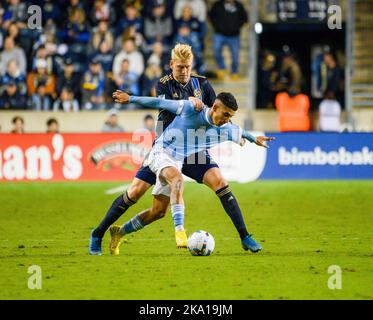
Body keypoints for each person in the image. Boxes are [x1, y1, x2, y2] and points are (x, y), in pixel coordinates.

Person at [88, 44, 268, 255]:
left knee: (220, 182)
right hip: (166, 145)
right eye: (180, 67)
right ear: (172, 64)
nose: (184, 71)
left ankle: (245, 236)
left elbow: (216, 112)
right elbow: (166, 106)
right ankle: (98, 233)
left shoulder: (202, 84)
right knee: (138, 195)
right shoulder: (163, 84)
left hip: (193, 148)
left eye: (188, 67)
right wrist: (188, 101)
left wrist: (247, 136)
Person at [107, 90, 274, 255]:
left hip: (177, 162)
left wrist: (254, 139)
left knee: (158, 212)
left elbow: (241, 132)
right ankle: (180, 232)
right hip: (161, 152)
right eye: (225, 114)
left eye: (230, 116)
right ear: (215, 107)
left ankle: (120, 232)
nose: (227, 120)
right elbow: (159, 103)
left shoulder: (226, 127)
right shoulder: (190, 109)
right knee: (177, 179)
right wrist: (130, 98)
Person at [209, 0, 248, 80]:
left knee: (235, 56)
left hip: (234, 35)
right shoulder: (217, 5)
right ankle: (222, 68)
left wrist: (237, 26)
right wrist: (216, 25)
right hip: (219, 33)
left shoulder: (239, 6)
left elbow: (245, 18)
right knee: (216, 51)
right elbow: (211, 15)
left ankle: (234, 72)